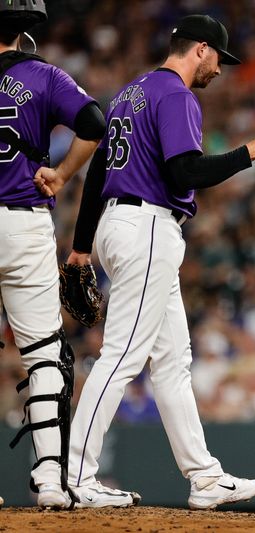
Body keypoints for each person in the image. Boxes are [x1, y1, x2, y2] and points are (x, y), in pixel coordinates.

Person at [38, 14, 255, 509]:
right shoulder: (177, 95)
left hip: (120, 224)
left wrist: (81, 247)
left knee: (173, 360)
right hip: (148, 227)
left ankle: (204, 477)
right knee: (123, 356)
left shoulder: (131, 94)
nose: (219, 69)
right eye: (218, 57)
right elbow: (184, 172)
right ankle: (75, 476)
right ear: (199, 49)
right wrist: (251, 152)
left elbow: (94, 178)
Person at [0, 0, 105, 510]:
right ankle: (48, 480)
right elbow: (94, 121)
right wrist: (61, 175)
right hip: (22, 223)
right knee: (43, 352)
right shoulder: (43, 76)